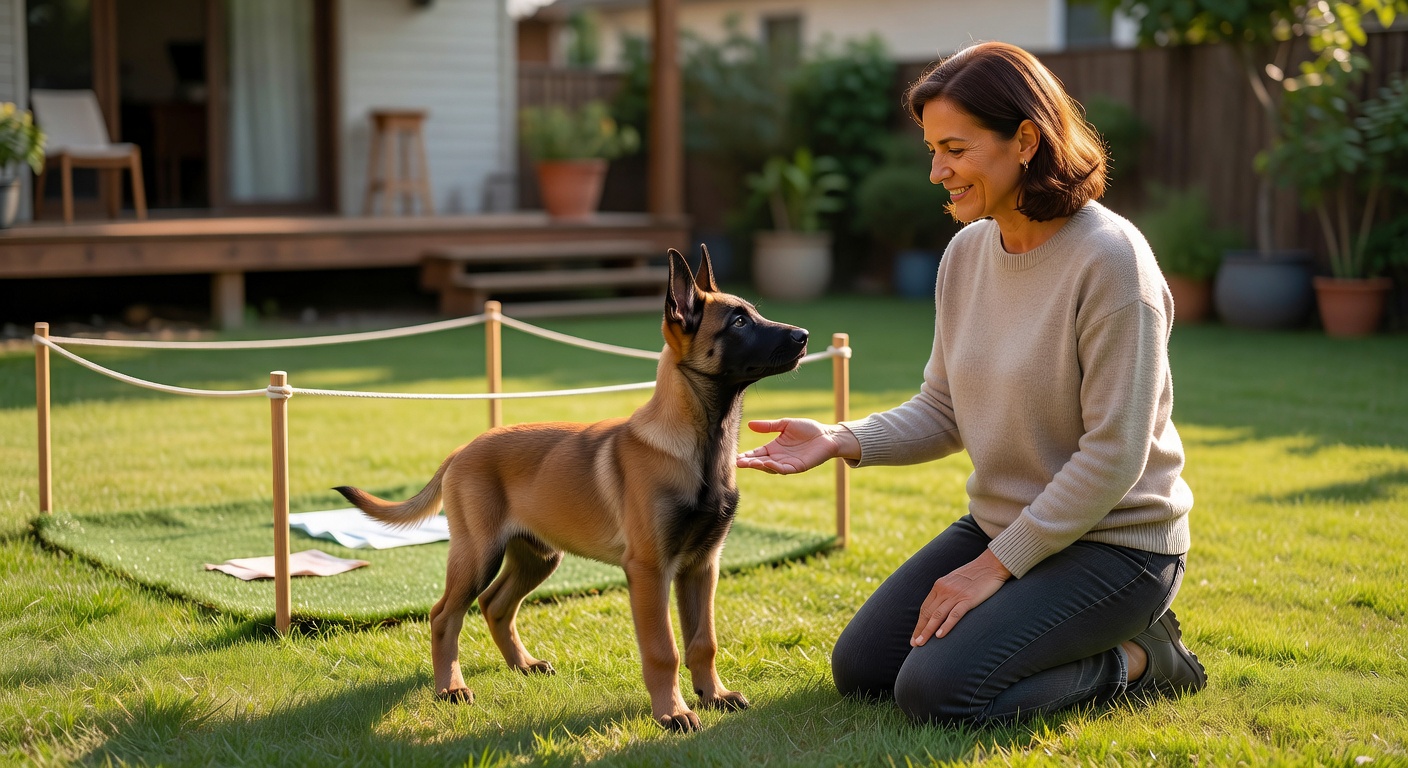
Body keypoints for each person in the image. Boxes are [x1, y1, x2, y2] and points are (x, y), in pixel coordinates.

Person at [736, 41, 1206, 725]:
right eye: (933, 150)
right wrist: (840, 438)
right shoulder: (966, 254)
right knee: (865, 669)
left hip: (1118, 547)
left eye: (954, 149)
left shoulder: (1111, 262)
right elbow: (944, 408)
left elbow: (1114, 455)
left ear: (1023, 140)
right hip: (1007, 524)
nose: (936, 171)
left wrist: (993, 568)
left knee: (937, 691)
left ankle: (1141, 657)